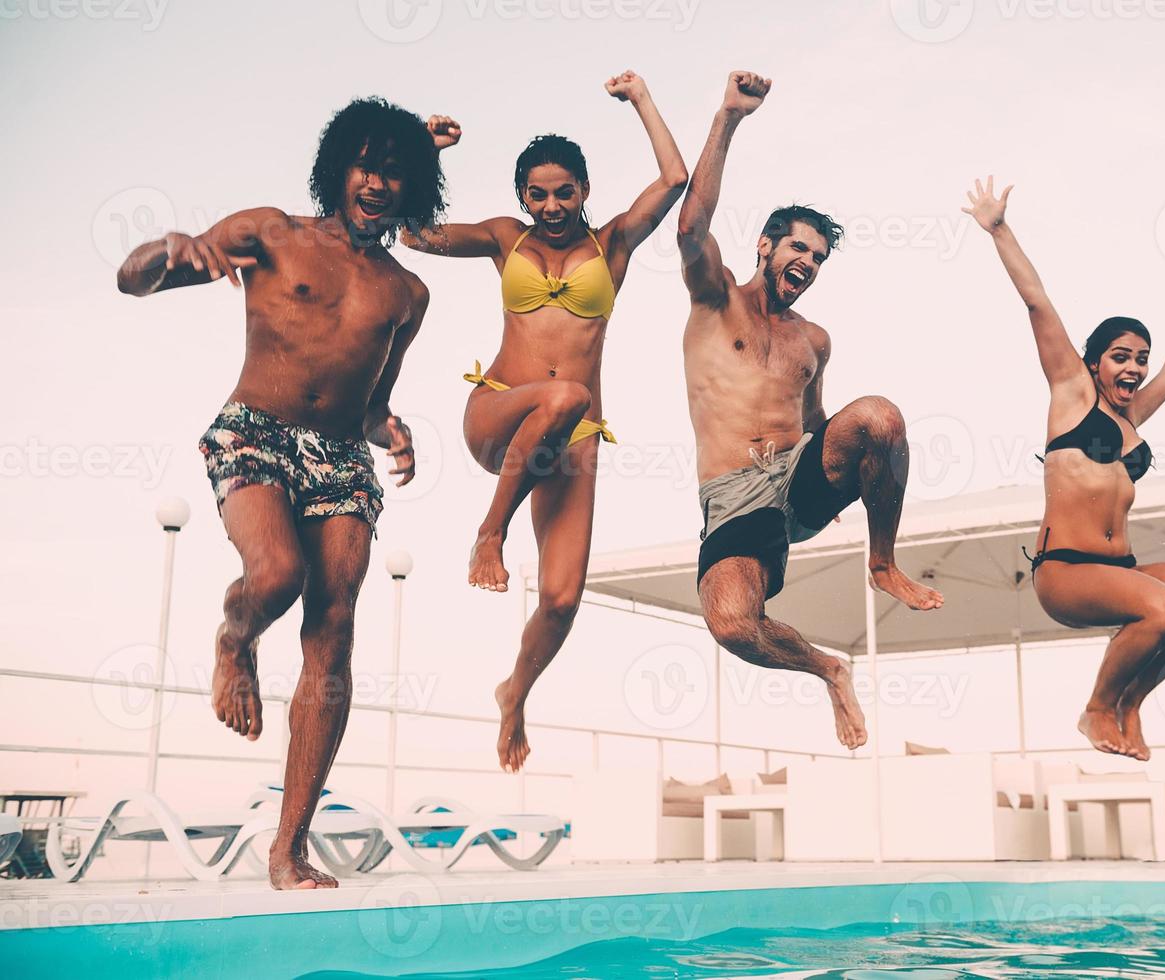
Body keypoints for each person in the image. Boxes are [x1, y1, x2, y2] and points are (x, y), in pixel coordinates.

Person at [116, 97, 444, 888]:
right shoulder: (268, 231)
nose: (377, 182)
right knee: (275, 577)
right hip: (255, 431)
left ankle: (289, 845)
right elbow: (134, 283)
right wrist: (165, 250)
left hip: (338, 456)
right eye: (366, 164)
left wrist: (389, 428)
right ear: (340, 168)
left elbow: (368, 402)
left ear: (413, 189)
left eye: (394, 171)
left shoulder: (407, 293)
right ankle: (235, 640)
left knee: (334, 627)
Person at [401, 71, 687, 772]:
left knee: (561, 599)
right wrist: (425, 153)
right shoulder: (505, 238)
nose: (552, 203)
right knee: (564, 397)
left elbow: (675, 178)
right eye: (538, 192)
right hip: (500, 412)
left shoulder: (613, 244)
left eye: (565, 191)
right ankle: (488, 533)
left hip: (571, 444)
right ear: (521, 198)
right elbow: (414, 234)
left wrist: (640, 99)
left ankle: (514, 692)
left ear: (585, 191)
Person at [677, 71, 944, 752]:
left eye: (818, 258)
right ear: (765, 245)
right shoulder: (714, 303)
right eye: (798, 248)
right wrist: (728, 118)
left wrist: (865, 465)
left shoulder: (812, 339)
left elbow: (824, 422)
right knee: (734, 626)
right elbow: (690, 224)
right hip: (734, 497)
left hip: (795, 475)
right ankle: (827, 668)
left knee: (879, 416)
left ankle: (881, 561)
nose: (807, 262)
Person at [964, 176, 1165, 761]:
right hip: (1065, 574)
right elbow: (1038, 300)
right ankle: (1095, 710)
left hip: (1121, 568)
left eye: (1140, 358)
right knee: (1163, 607)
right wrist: (1000, 229)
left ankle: (1131, 701)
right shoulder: (1071, 393)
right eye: (1121, 357)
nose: (1135, 367)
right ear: (1093, 362)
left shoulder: (1132, 416)